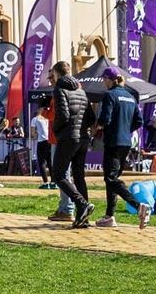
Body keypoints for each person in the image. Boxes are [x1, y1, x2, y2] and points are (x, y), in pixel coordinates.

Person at [94, 65, 148, 229]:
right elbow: (139, 121)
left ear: (110, 80)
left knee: (110, 178)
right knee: (112, 180)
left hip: (112, 142)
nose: (103, 82)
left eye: (104, 79)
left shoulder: (110, 95)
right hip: (126, 142)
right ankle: (110, 216)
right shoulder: (131, 97)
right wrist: (125, 130)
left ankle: (139, 206)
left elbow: (105, 118)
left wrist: (99, 126)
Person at [49, 62, 94, 228]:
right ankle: (84, 217)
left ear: (57, 74)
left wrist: (57, 130)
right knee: (79, 176)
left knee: (58, 175)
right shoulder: (81, 91)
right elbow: (91, 117)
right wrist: (82, 129)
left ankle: (82, 204)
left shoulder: (60, 89)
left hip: (68, 137)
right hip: (83, 138)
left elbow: (63, 115)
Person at [31, 102, 53, 188]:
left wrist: (37, 135)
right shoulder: (48, 119)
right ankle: (53, 182)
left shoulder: (35, 119)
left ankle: (45, 182)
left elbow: (33, 133)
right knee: (50, 162)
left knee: (42, 162)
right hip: (49, 141)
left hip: (41, 141)